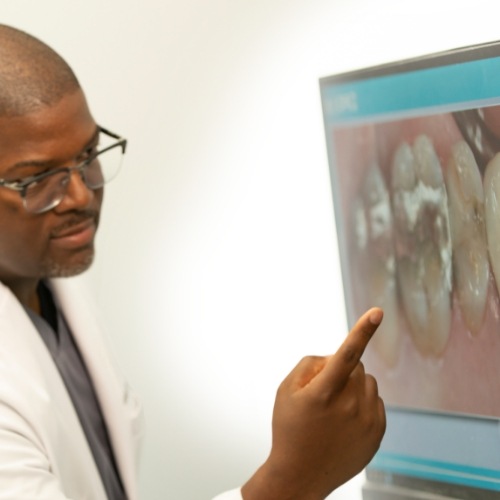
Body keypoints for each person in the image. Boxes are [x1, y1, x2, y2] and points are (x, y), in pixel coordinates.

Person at [0, 24, 386, 500]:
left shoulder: (44, 284)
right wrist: (290, 480)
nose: (80, 194)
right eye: (37, 180)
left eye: (87, 157)